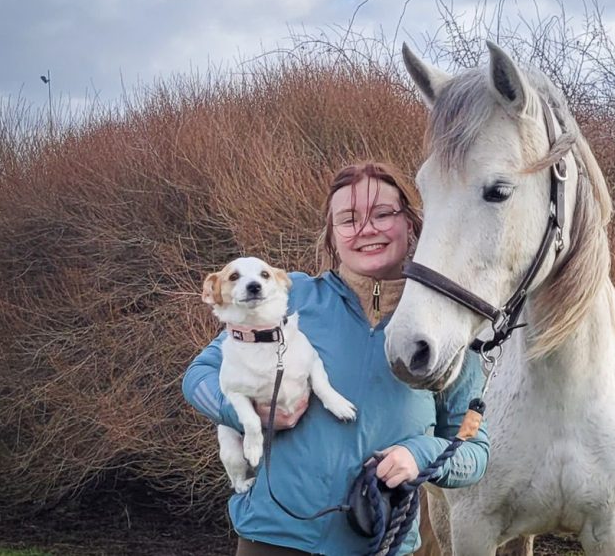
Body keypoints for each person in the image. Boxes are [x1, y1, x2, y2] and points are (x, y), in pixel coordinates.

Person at [182, 161, 489, 556]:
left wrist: (420, 455)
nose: (366, 229)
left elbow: (472, 448)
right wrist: (247, 412)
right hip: (270, 540)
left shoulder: (447, 327)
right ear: (332, 234)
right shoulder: (291, 301)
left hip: (382, 542)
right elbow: (199, 374)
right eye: (348, 219)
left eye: (382, 214)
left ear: (410, 224)